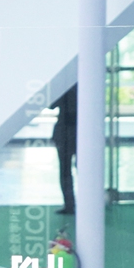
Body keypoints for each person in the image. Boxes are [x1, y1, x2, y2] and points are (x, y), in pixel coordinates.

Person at [51, 85, 76, 215]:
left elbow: (51, 104)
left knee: (65, 171)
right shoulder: (86, 85)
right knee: (79, 170)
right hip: (76, 132)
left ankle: (70, 205)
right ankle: (74, 204)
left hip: (66, 132)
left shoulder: (64, 87)